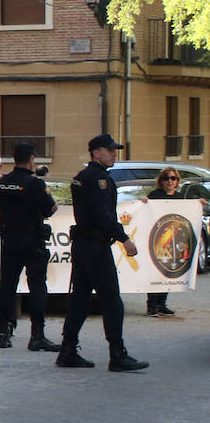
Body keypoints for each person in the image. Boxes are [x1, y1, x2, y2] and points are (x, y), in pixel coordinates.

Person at [56, 134, 149, 372]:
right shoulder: (98, 179)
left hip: (84, 245)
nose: (114, 154)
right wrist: (124, 238)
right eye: (110, 150)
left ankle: (67, 350)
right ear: (96, 153)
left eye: (114, 150)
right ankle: (117, 354)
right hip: (96, 246)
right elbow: (102, 216)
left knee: (80, 299)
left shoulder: (81, 178)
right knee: (111, 300)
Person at [0, 141, 59, 351]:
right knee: (37, 287)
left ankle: (3, 333)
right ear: (32, 159)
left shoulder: (3, 183)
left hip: (10, 240)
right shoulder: (35, 184)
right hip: (32, 241)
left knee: (7, 287)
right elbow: (50, 208)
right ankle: (37, 335)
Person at [141, 166, 206, 316]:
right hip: (156, 241)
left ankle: (162, 304)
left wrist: (198, 204)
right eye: (166, 178)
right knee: (154, 272)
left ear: (177, 181)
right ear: (161, 181)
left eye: (173, 178)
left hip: (173, 242)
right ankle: (151, 306)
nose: (169, 181)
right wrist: (144, 202)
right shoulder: (154, 195)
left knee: (168, 273)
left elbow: (185, 214)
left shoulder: (179, 197)